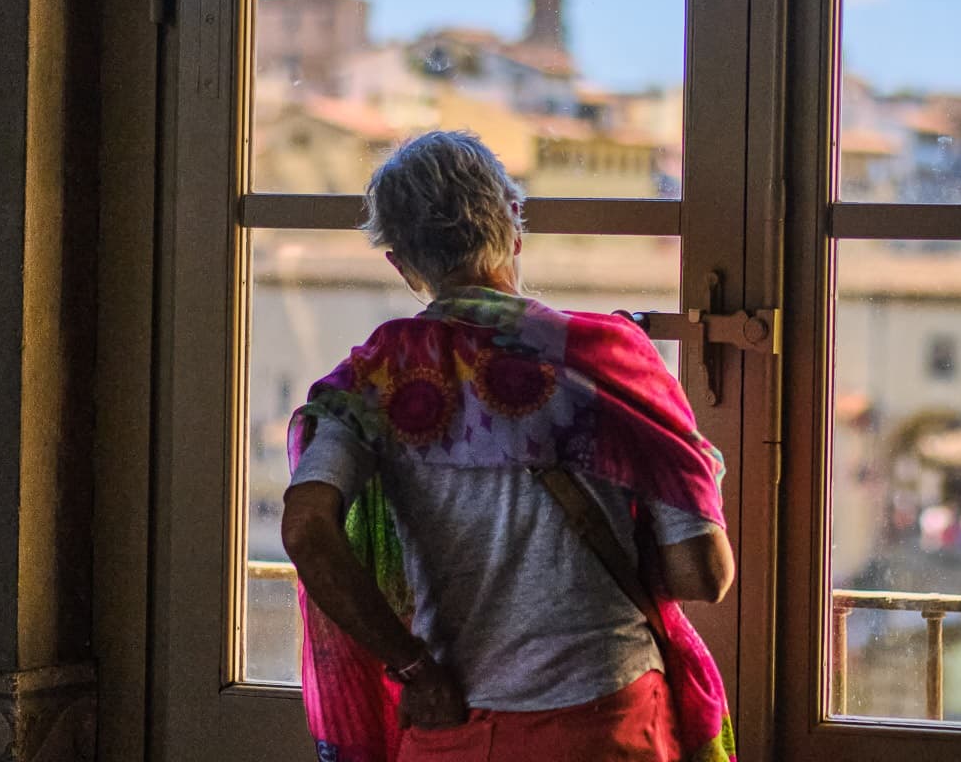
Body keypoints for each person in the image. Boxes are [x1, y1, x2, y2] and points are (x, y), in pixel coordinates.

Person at [281, 131, 737, 762]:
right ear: (514, 224)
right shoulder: (610, 359)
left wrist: (412, 666)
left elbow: (306, 529)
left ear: (401, 263)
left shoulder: (374, 381)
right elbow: (703, 576)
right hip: (604, 717)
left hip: (451, 723)